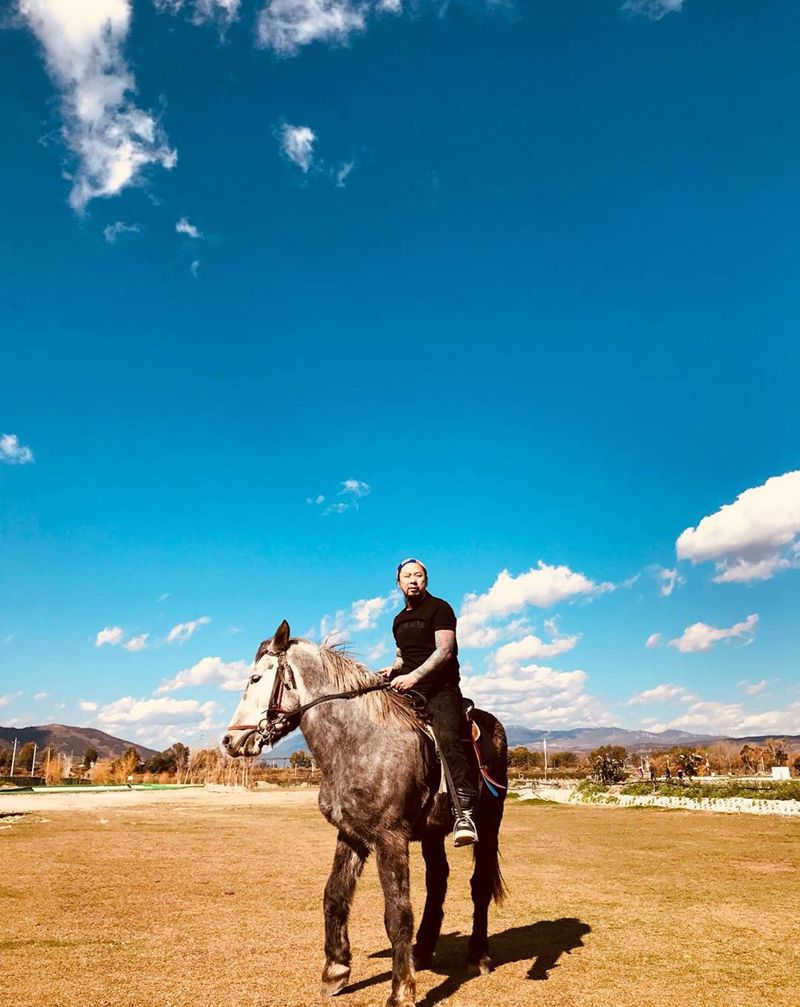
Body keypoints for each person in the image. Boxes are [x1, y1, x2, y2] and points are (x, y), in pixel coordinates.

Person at [381, 558, 478, 847]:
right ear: (398, 583)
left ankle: (464, 813)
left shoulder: (440, 608)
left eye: (418, 575)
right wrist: (392, 669)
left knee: (447, 737)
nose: (413, 580)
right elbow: (403, 655)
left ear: (426, 580)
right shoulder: (398, 620)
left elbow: (444, 651)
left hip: (440, 689)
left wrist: (413, 676)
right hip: (406, 690)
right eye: (407, 576)